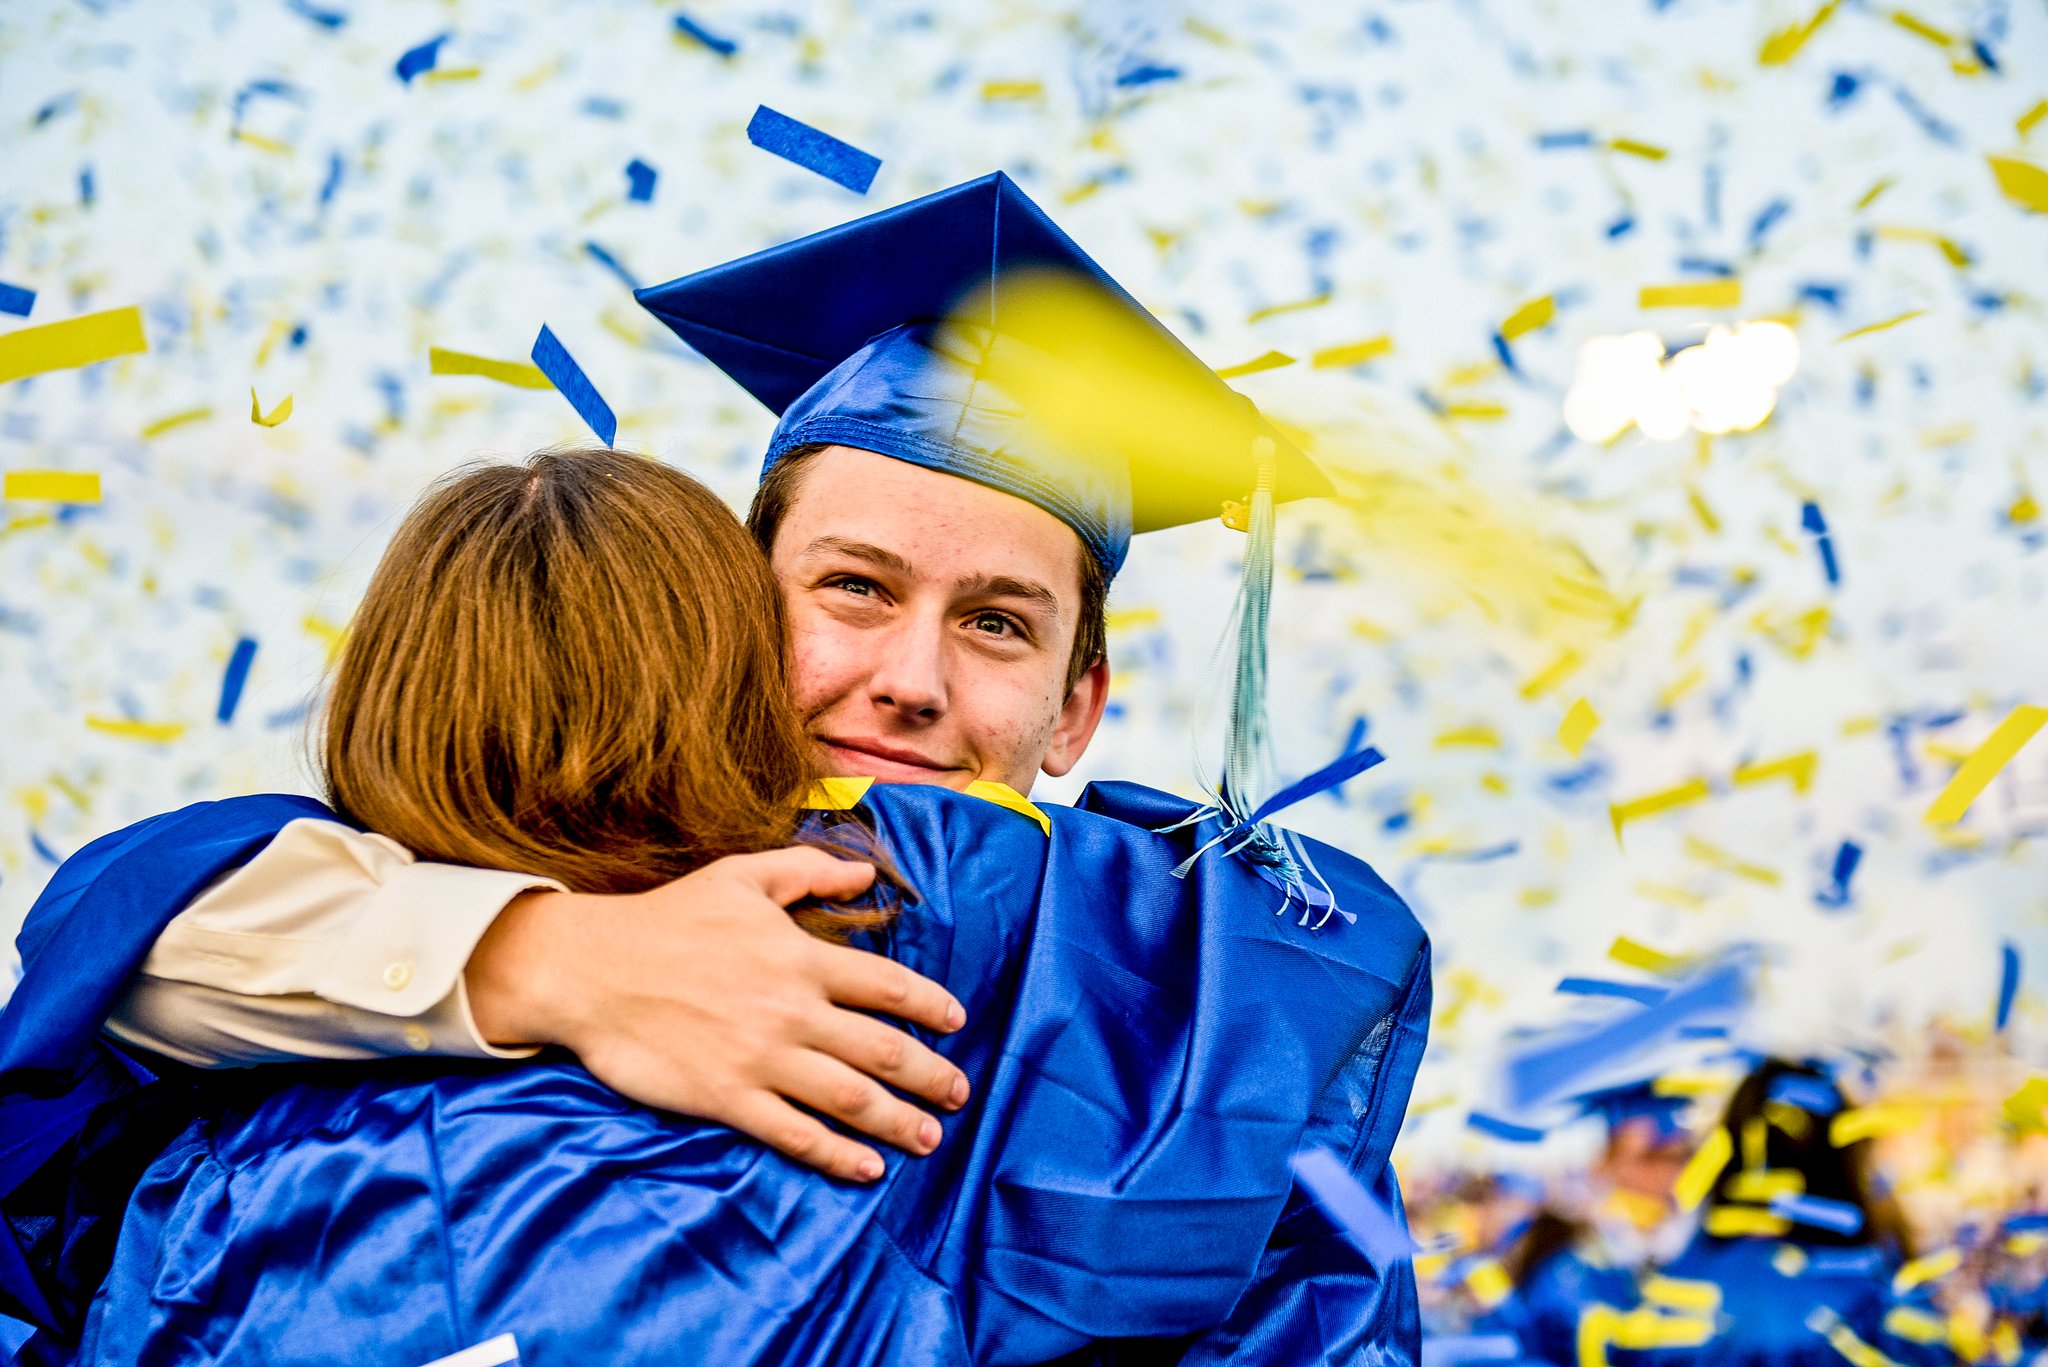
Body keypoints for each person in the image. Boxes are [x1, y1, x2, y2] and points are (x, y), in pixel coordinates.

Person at [0, 173, 1431, 1360]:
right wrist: (549, 957)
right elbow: (133, 939)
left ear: (1079, 707)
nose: (911, 679)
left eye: (997, 622)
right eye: (855, 588)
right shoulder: (465, 871)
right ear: (736, 613)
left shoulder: (1199, 994)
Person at [1482, 1083, 1697, 1365]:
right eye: (1651, 1156)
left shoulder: (1698, 1252)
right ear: (1602, 1163)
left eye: (1681, 1157)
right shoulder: (1567, 1275)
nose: (1670, 1172)